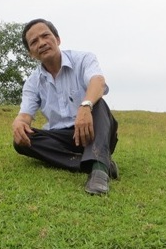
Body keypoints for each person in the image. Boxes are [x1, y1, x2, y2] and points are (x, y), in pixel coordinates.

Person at [12, 19, 119, 195]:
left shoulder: (84, 59)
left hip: (94, 132)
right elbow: (25, 115)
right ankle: (96, 162)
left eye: (45, 36)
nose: (42, 43)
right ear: (31, 53)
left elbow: (98, 82)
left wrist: (85, 106)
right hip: (62, 139)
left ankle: (99, 172)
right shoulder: (32, 82)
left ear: (57, 39)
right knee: (21, 141)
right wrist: (19, 123)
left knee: (98, 103)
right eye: (34, 42)